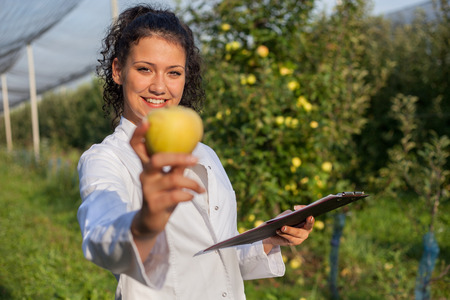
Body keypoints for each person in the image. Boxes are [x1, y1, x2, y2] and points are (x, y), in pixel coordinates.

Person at [77, 4, 314, 299]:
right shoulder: (106, 159)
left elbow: (220, 260)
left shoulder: (205, 154)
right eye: (144, 69)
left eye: (173, 72)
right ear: (118, 71)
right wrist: (148, 220)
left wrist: (269, 237)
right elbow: (102, 240)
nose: (159, 86)